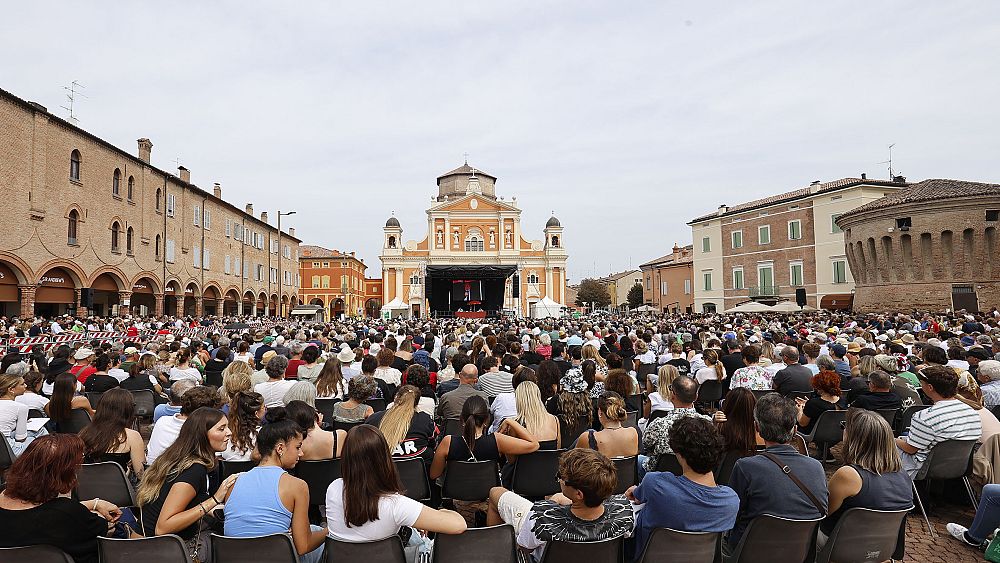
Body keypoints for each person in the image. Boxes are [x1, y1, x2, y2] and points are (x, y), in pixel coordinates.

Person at [324, 424, 466, 542]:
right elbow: (459, 525)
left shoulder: (333, 488)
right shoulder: (395, 505)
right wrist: (440, 512)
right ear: (385, 459)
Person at [487, 448, 634, 561]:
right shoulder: (624, 512)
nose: (560, 480)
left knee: (495, 492)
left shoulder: (541, 518)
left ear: (579, 494)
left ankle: (492, 555)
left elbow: (524, 547)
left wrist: (550, 505)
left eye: (561, 478)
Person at [626, 416, 739, 561]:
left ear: (679, 454)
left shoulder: (654, 484)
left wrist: (636, 491)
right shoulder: (730, 502)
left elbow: (636, 496)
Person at [223, 407, 326, 563]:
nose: (301, 453)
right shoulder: (297, 486)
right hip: (277, 556)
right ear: (280, 448)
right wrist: (331, 530)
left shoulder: (233, 482)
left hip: (233, 557)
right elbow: (303, 546)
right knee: (319, 533)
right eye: (298, 447)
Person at [0, 434, 124, 563]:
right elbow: (107, 530)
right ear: (64, 473)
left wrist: (93, 503)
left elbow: (32, 513)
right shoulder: (65, 513)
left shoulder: (3, 493)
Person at [727, 393, 829, 550]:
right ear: (795, 430)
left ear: (757, 428)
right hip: (801, 551)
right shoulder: (816, 467)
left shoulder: (745, 467)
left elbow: (731, 514)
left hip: (751, 551)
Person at [138, 407, 240, 561]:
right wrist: (214, 500)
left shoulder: (177, 457)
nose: (229, 432)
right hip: (164, 550)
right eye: (222, 428)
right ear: (202, 435)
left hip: (151, 543)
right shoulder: (194, 470)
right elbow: (163, 527)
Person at [821, 409, 912, 544]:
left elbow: (822, 513)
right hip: (883, 549)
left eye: (845, 427)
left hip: (840, 546)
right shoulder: (904, 476)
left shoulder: (849, 475)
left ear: (854, 437)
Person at [896, 365, 982, 477]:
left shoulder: (924, 416)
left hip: (923, 468)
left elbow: (911, 449)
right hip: (959, 468)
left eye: (922, 384)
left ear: (930, 387)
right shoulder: (972, 412)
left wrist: (893, 440)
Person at [429, 395, 539, 480]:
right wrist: (510, 421)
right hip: (488, 497)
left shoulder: (448, 442)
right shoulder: (497, 440)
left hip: (457, 497)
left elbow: (434, 474)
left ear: (462, 419)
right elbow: (534, 444)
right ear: (486, 420)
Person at [642, 376, 711, 473]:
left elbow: (645, 445)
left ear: (672, 395)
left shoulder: (659, 424)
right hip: (695, 474)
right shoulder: (708, 423)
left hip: (660, 476)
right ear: (696, 397)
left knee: (639, 459)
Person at [147, 385, 221, 465]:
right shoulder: (201, 431)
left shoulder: (162, 420)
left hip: (152, 472)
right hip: (178, 474)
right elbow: (212, 460)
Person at [80, 388, 146, 478]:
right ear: (127, 410)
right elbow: (141, 475)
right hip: (118, 489)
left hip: (87, 489)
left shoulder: (85, 433)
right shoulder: (132, 436)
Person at [368, 385, 438, 466]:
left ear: (396, 398)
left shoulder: (373, 419)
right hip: (416, 474)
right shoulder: (426, 420)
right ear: (416, 403)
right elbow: (434, 444)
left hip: (380, 473)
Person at [576, 391, 639, 458]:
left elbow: (573, 462)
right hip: (627, 469)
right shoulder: (633, 432)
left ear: (600, 412)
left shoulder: (588, 438)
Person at [0, 372, 47, 456]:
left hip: (5, 442)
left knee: (39, 431)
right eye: (22, 384)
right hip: (8, 450)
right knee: (41, 437)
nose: (25, 386)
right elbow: (20, 438)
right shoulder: (21, 407)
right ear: (11, 389)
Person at [794, 370, 843, 436]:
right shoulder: (843, 400)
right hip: (839, 432)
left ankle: (802, 446)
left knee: (798, 427)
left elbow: (802, 423)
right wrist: (807, 404)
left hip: (816, 434)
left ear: (820, 388)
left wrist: (799, 410)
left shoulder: (813, 404)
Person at [222, 391, 264, 462]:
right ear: (256, 413)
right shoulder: (262, 433)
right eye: (263, 407)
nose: (265, 410)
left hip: (227, 472)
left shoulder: (225, 432)